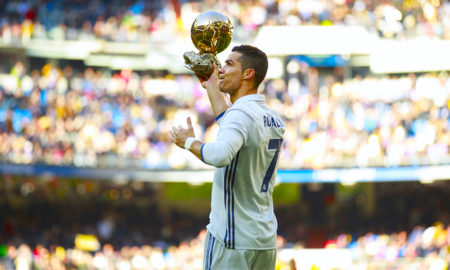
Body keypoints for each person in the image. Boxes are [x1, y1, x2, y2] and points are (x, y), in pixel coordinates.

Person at [170, 45, 285, 270]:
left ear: (248, 74)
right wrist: (213, 87)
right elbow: (232, 123)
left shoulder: (240, 116)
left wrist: (189, 142)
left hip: (232, 240)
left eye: (229, 64)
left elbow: (221, 154)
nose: (221, 69)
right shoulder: (272, 117)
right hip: (264, 241)